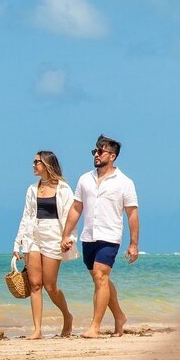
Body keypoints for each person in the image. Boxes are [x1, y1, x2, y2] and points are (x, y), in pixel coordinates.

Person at [61, 134, 139, 338]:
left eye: (100, 151)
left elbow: (132, 213)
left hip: (110, 236)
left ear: (112, 156)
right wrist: (66, 234)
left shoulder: (125, 182)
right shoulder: (85, 179)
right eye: (94, 151)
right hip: (89, 236)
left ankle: (94, 327)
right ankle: (120, 316)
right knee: (100, 280)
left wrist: (133, 243)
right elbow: (77, 208)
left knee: (100, 276)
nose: (96, 154)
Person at [13, 151, 78, 339]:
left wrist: (69, 238)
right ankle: (37, 330)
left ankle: (67, 316)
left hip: (54, 237)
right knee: (35, 284)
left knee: (50, 286)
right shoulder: (32, 189)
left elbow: (70, 216)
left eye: (36, 162)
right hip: (32, 236)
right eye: (33, 162)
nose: (33, 165)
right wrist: (17, 243)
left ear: (48, 164)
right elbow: (26, 216)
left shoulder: (64, 189)